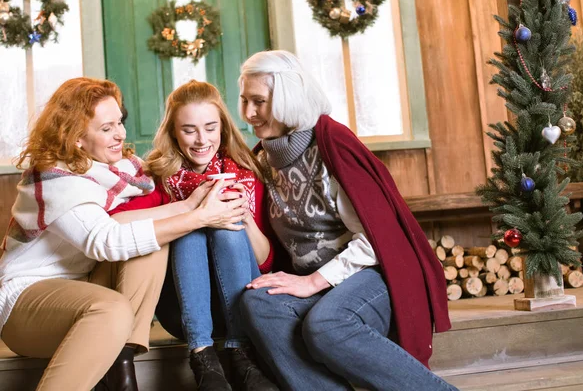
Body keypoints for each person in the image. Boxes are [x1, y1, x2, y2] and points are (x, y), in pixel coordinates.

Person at [0, 77, 246, 391]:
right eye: (107, 128)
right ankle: (120, 374)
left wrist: (190, 205)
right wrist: (198, 217)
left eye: (120, 121)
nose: (120, 134)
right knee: (110, 309)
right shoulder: (56, 177)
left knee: (153, 241)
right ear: (76, 138)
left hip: (87, 282)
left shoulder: (123, 170)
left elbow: (127, 224)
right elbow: (105, 241)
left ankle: (121, 360)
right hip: (27, 303)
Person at [237, 50, 458, 391]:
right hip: (316, 280)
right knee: (259, 304)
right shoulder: (263, 159)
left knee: (327, 324)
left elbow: (375, 239)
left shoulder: (330, 142)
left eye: (259, 101)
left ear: (287, 97)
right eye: (244, 101)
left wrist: (313, 282)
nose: (249, 113)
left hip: (371, 273)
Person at [110, 80, 278, 391]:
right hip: (185, 309)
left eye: (210, 127)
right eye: (189, 130)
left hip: (241, 299)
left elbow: (265, 261)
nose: (202, 140)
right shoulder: (161, 177)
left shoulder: (247, 173)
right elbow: (114, 222)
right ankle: (202, 355)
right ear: (173, 132)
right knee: (190, 230)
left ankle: (240, 353)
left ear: (223, 129)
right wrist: (187, 211)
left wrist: (241, 216)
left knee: (226, 230)